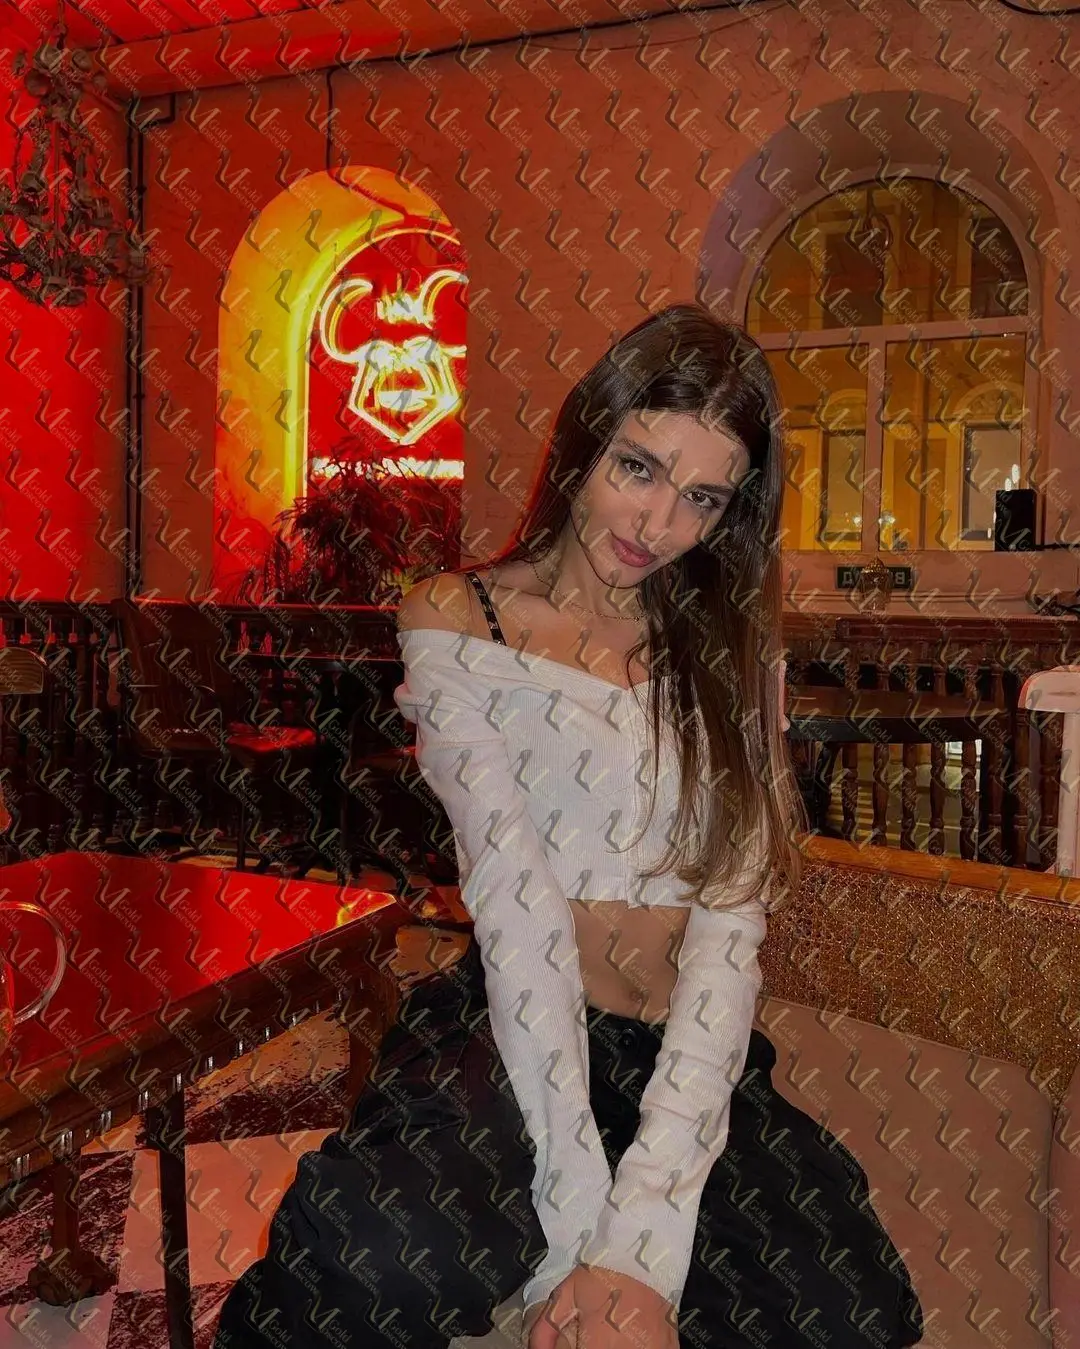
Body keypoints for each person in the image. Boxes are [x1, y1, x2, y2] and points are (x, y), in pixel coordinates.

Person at [214, 304, 924, 1349]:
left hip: (685, 1045)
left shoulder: (729, 651)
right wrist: (581, 1230)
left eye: (702, 497)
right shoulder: (459, 615)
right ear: (588, 438)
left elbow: (729, 938)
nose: (658, 523)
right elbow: (516, 905)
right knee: (373, 1253)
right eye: (638, 467)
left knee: (844, 1306)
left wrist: (639, 1250)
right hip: (512, 1021)